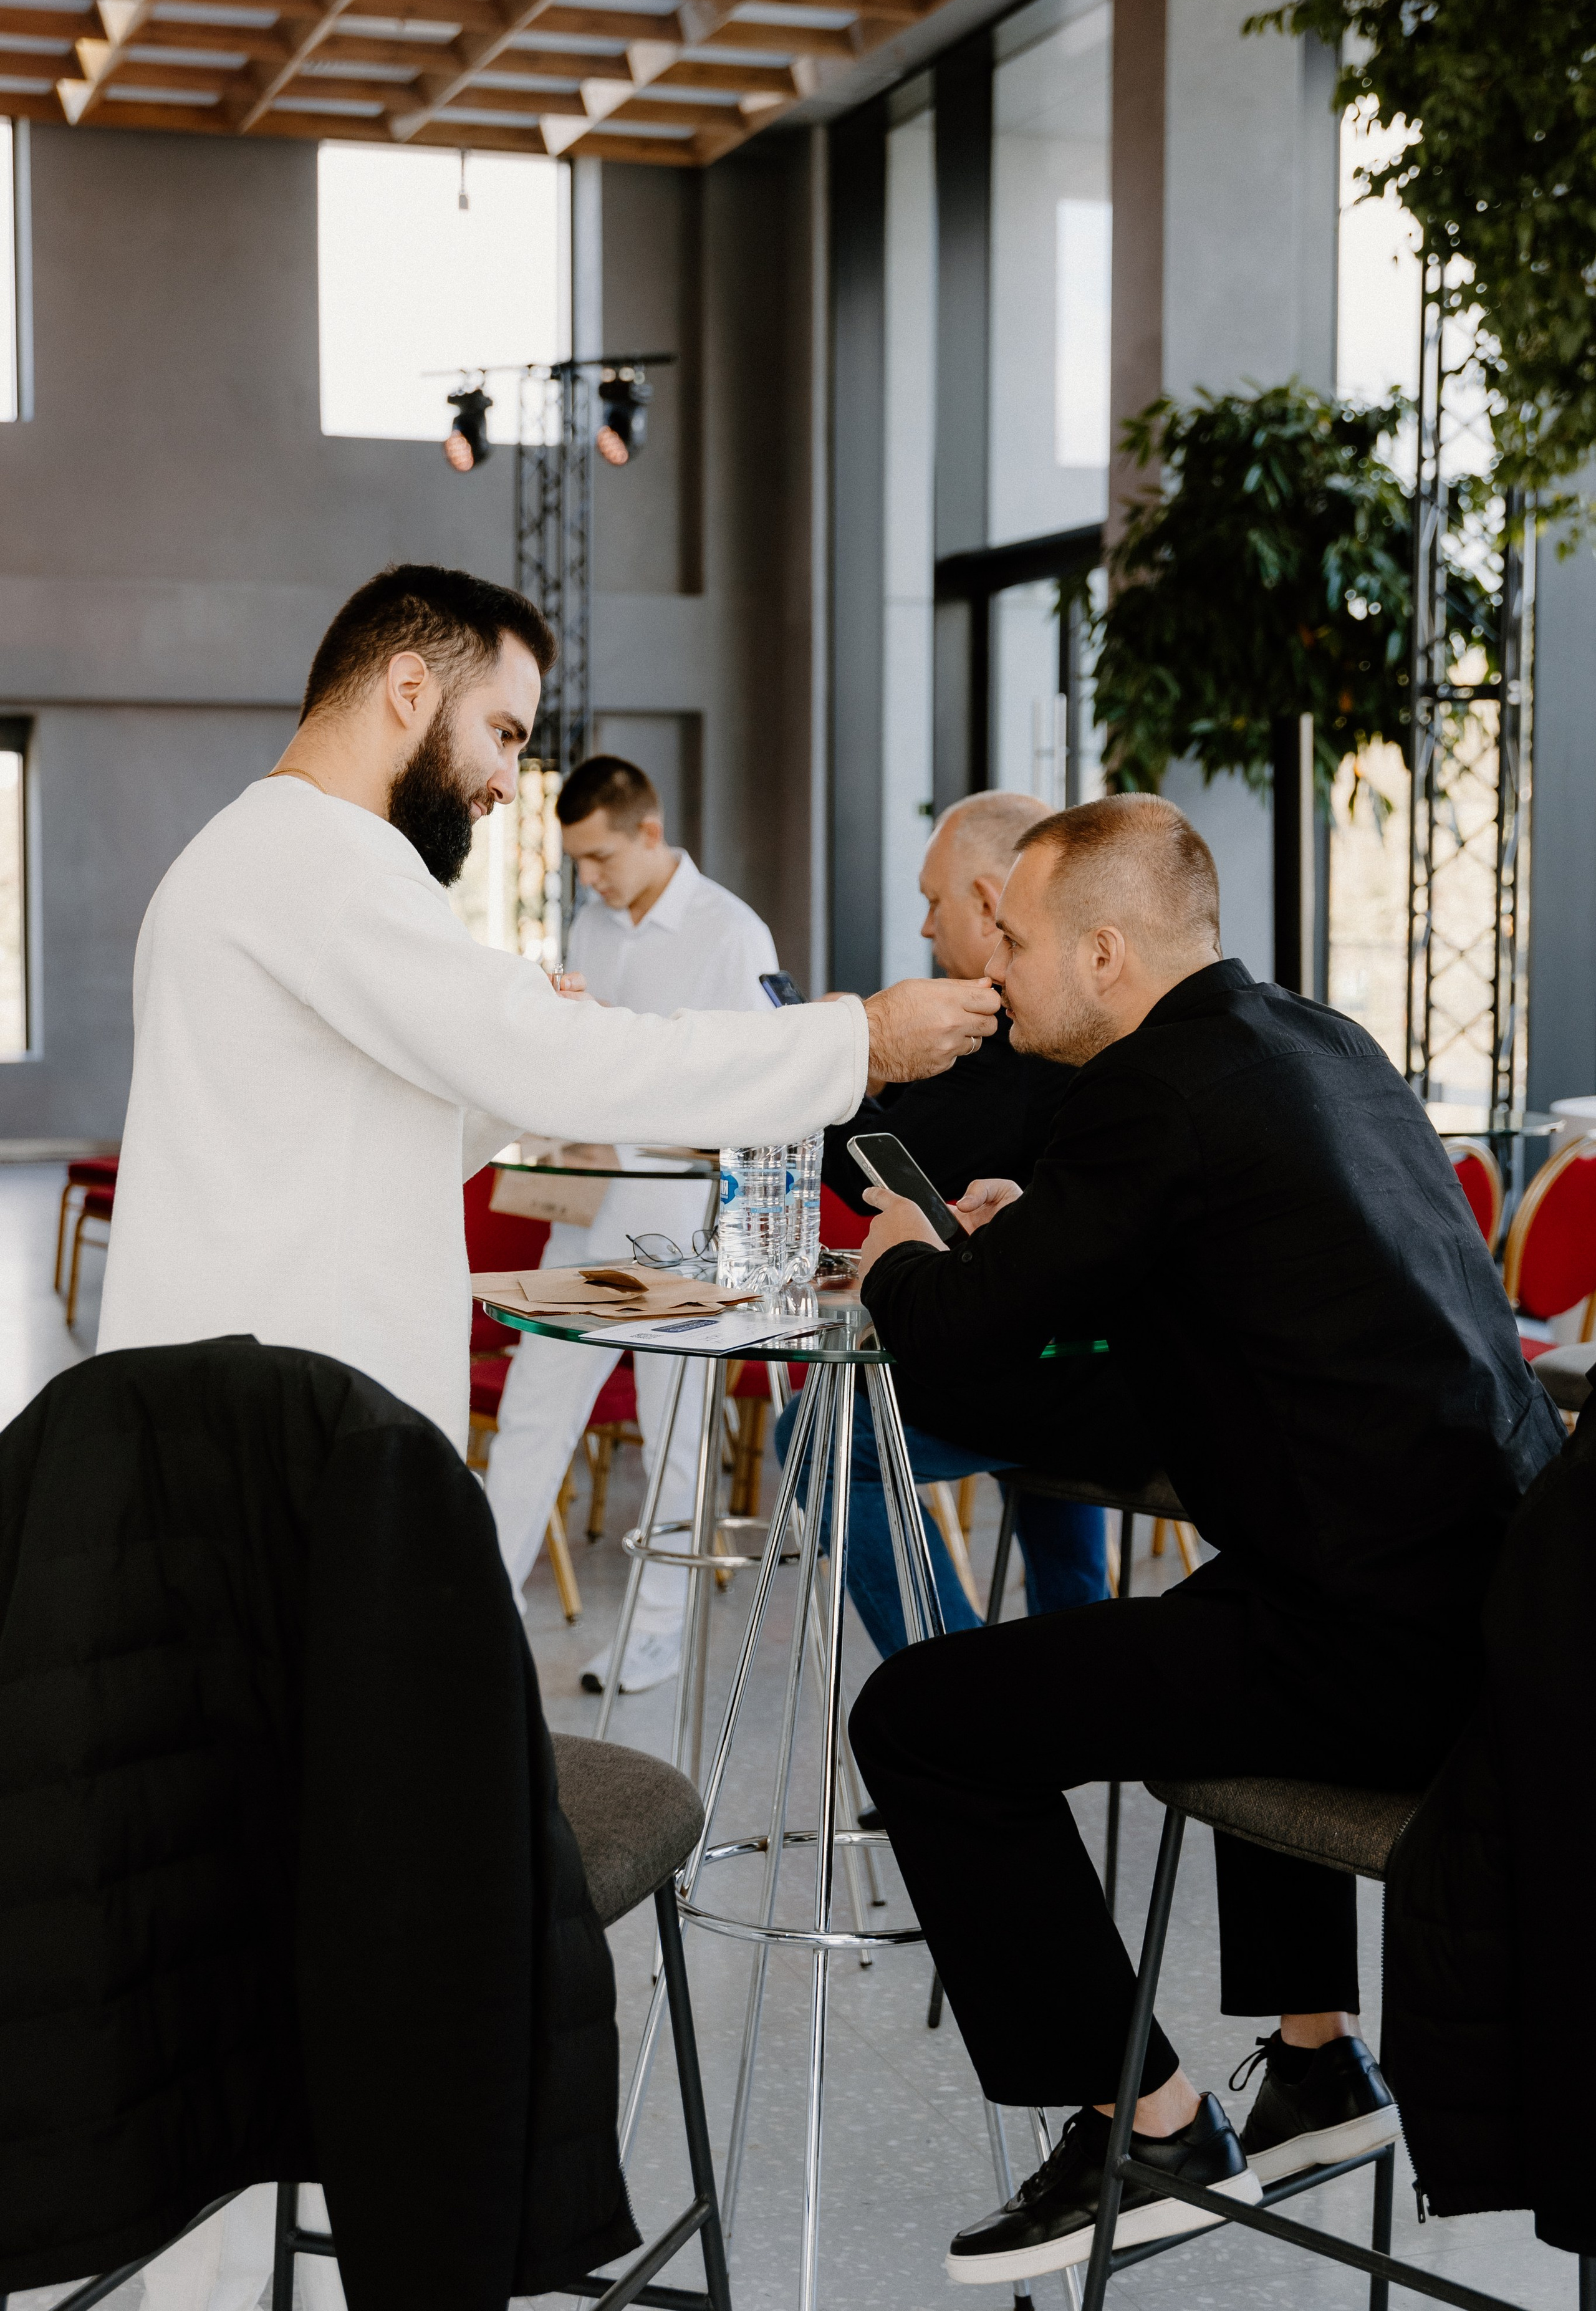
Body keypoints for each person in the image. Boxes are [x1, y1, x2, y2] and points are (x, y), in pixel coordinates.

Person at [95, 562, 1000, 2311]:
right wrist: (854, 1042)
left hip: (249, 1474)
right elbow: (559, 1077)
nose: (513, 777)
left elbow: (360, 1127)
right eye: (504, 732)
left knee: (253, 1920)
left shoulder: (262, 864)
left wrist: (515, 1066)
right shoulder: (320, 861)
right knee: (289, 1917)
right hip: (286, 1496)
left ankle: (289, 2258)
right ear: (407, 689)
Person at [848, 794, 1564, 2284]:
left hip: (1383, 1656)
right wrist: (1037, 1227)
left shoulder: (1144, 1098)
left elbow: (961, 1347)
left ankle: (1148, 2126)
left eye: (1014, 941)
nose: (994, 968)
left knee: (917, 1720)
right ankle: (1317, 2062)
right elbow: (1219, 1267)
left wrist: (900, 1262)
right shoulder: (1311, 1043)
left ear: (1104, 953)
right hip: (1503, 1604)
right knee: (1226, 1604)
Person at [778, 790, 1108, 1658]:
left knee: (815, 1438)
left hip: (1058, 1374)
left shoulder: (1014, 1026)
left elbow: (889, 1166)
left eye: (934, 902)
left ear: (993, 903)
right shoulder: (1095, 1017)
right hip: (1087, 1351)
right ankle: (1070, 1678)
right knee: (1053, 1508)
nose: (926, 927)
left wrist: (829, 1057)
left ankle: (954, 1678)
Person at [484, 751, 781, 1694]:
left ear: (650, 832)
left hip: (682, 1231)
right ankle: (482, 1617)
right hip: (587, 1214)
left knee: (675, 1436)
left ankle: (657, 1634)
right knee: (532, 1415)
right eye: (577, 860)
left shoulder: (734, 934)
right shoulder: (591, 923)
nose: (590, 877)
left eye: (601, 857)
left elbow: (758, 1096)